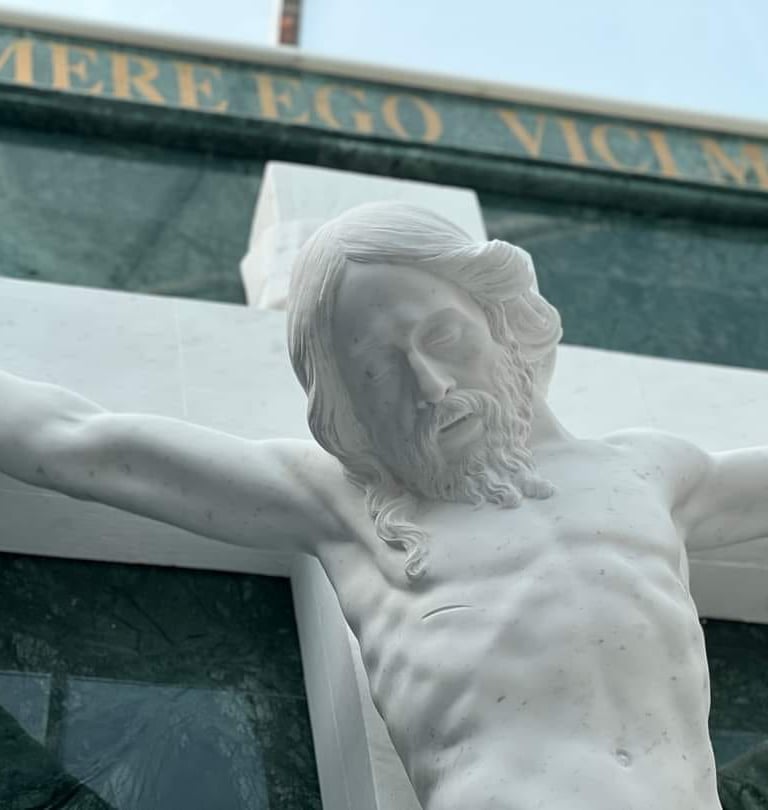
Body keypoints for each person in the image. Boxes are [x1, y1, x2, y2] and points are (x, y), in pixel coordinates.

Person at [1, 202, 766, 810]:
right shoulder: (340, 502)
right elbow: (79, 441)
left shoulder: (649, 471)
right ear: (350, 403)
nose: (431, 385)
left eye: (444, 335)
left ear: (500, 320)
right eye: (378, 370)